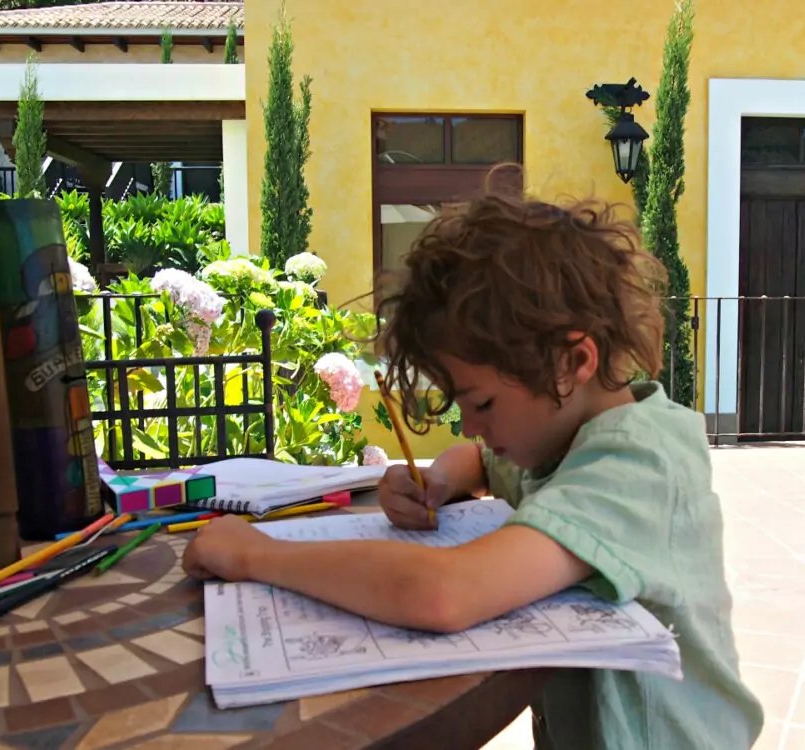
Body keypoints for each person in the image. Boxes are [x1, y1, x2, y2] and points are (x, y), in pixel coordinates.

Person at [182, 179, 764, 749]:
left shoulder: (640, 460)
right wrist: (439, 480)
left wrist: (254, 555)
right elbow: (481, 463)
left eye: (482, 403)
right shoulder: (563, 437)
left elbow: (443, 596)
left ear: (572, 361)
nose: (473, 425)